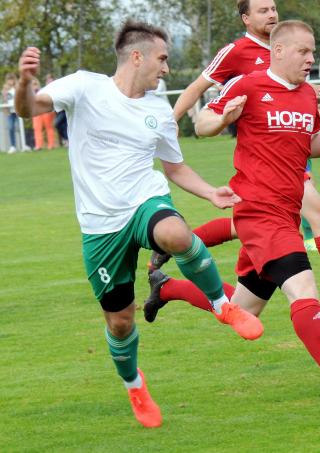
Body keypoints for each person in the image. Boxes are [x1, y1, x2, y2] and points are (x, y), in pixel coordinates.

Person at [14, 20, 263, 428]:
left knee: (175, 234)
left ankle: (222, 305)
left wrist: (210, 193)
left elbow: (174, 167)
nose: (166, 68)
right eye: (162, 59)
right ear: (137, 56)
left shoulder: (157, 110)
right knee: (121, 319)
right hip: (100, 224)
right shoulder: (84, 86)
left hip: (145, 200)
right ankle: (133, 381)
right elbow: (28, 109)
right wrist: (25, 82)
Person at [150, 0, 320, 321]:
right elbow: (198, 88)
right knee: (317, 214)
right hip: (263, 163)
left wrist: (313, 93)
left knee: (243, 303)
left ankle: (171, 263)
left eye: (273, 9)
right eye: (262, 10)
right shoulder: (237, 51)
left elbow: (284, 88)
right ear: (245, 18)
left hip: (292, 152)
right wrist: (168, 127)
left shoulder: (290, 49)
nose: (271, 14)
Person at [194, 20, 320, 397]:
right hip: (258, 211)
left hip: (286, 212)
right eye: (304, 51)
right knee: (303, 287)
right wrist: (222, 119)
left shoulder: (308, 96)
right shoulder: (248, 83)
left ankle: (167, 289)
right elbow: (201, 123)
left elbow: (308, 143)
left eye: (313, 52)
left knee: (241, 310)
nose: (311, 59)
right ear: (278, 51)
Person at [31, 77, 57, 150]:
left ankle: (51, 144)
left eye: (35, 84)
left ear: (38, 84)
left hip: (46, 111)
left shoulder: (44, 90)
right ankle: (38, 145)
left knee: (49, 127)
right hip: (36, 112)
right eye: (32, 84)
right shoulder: (29, 93)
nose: (34, 86)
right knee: (37, 128)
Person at [3, 73, 21, 153]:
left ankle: (23, 145)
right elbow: (4, 101)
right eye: (9, 80)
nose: (11, 81)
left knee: (20, 128)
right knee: (11, 128)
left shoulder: (17, 87)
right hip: (10, 112)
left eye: (12, 79)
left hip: (18, 111)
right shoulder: (5, 89)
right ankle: (13, 146)